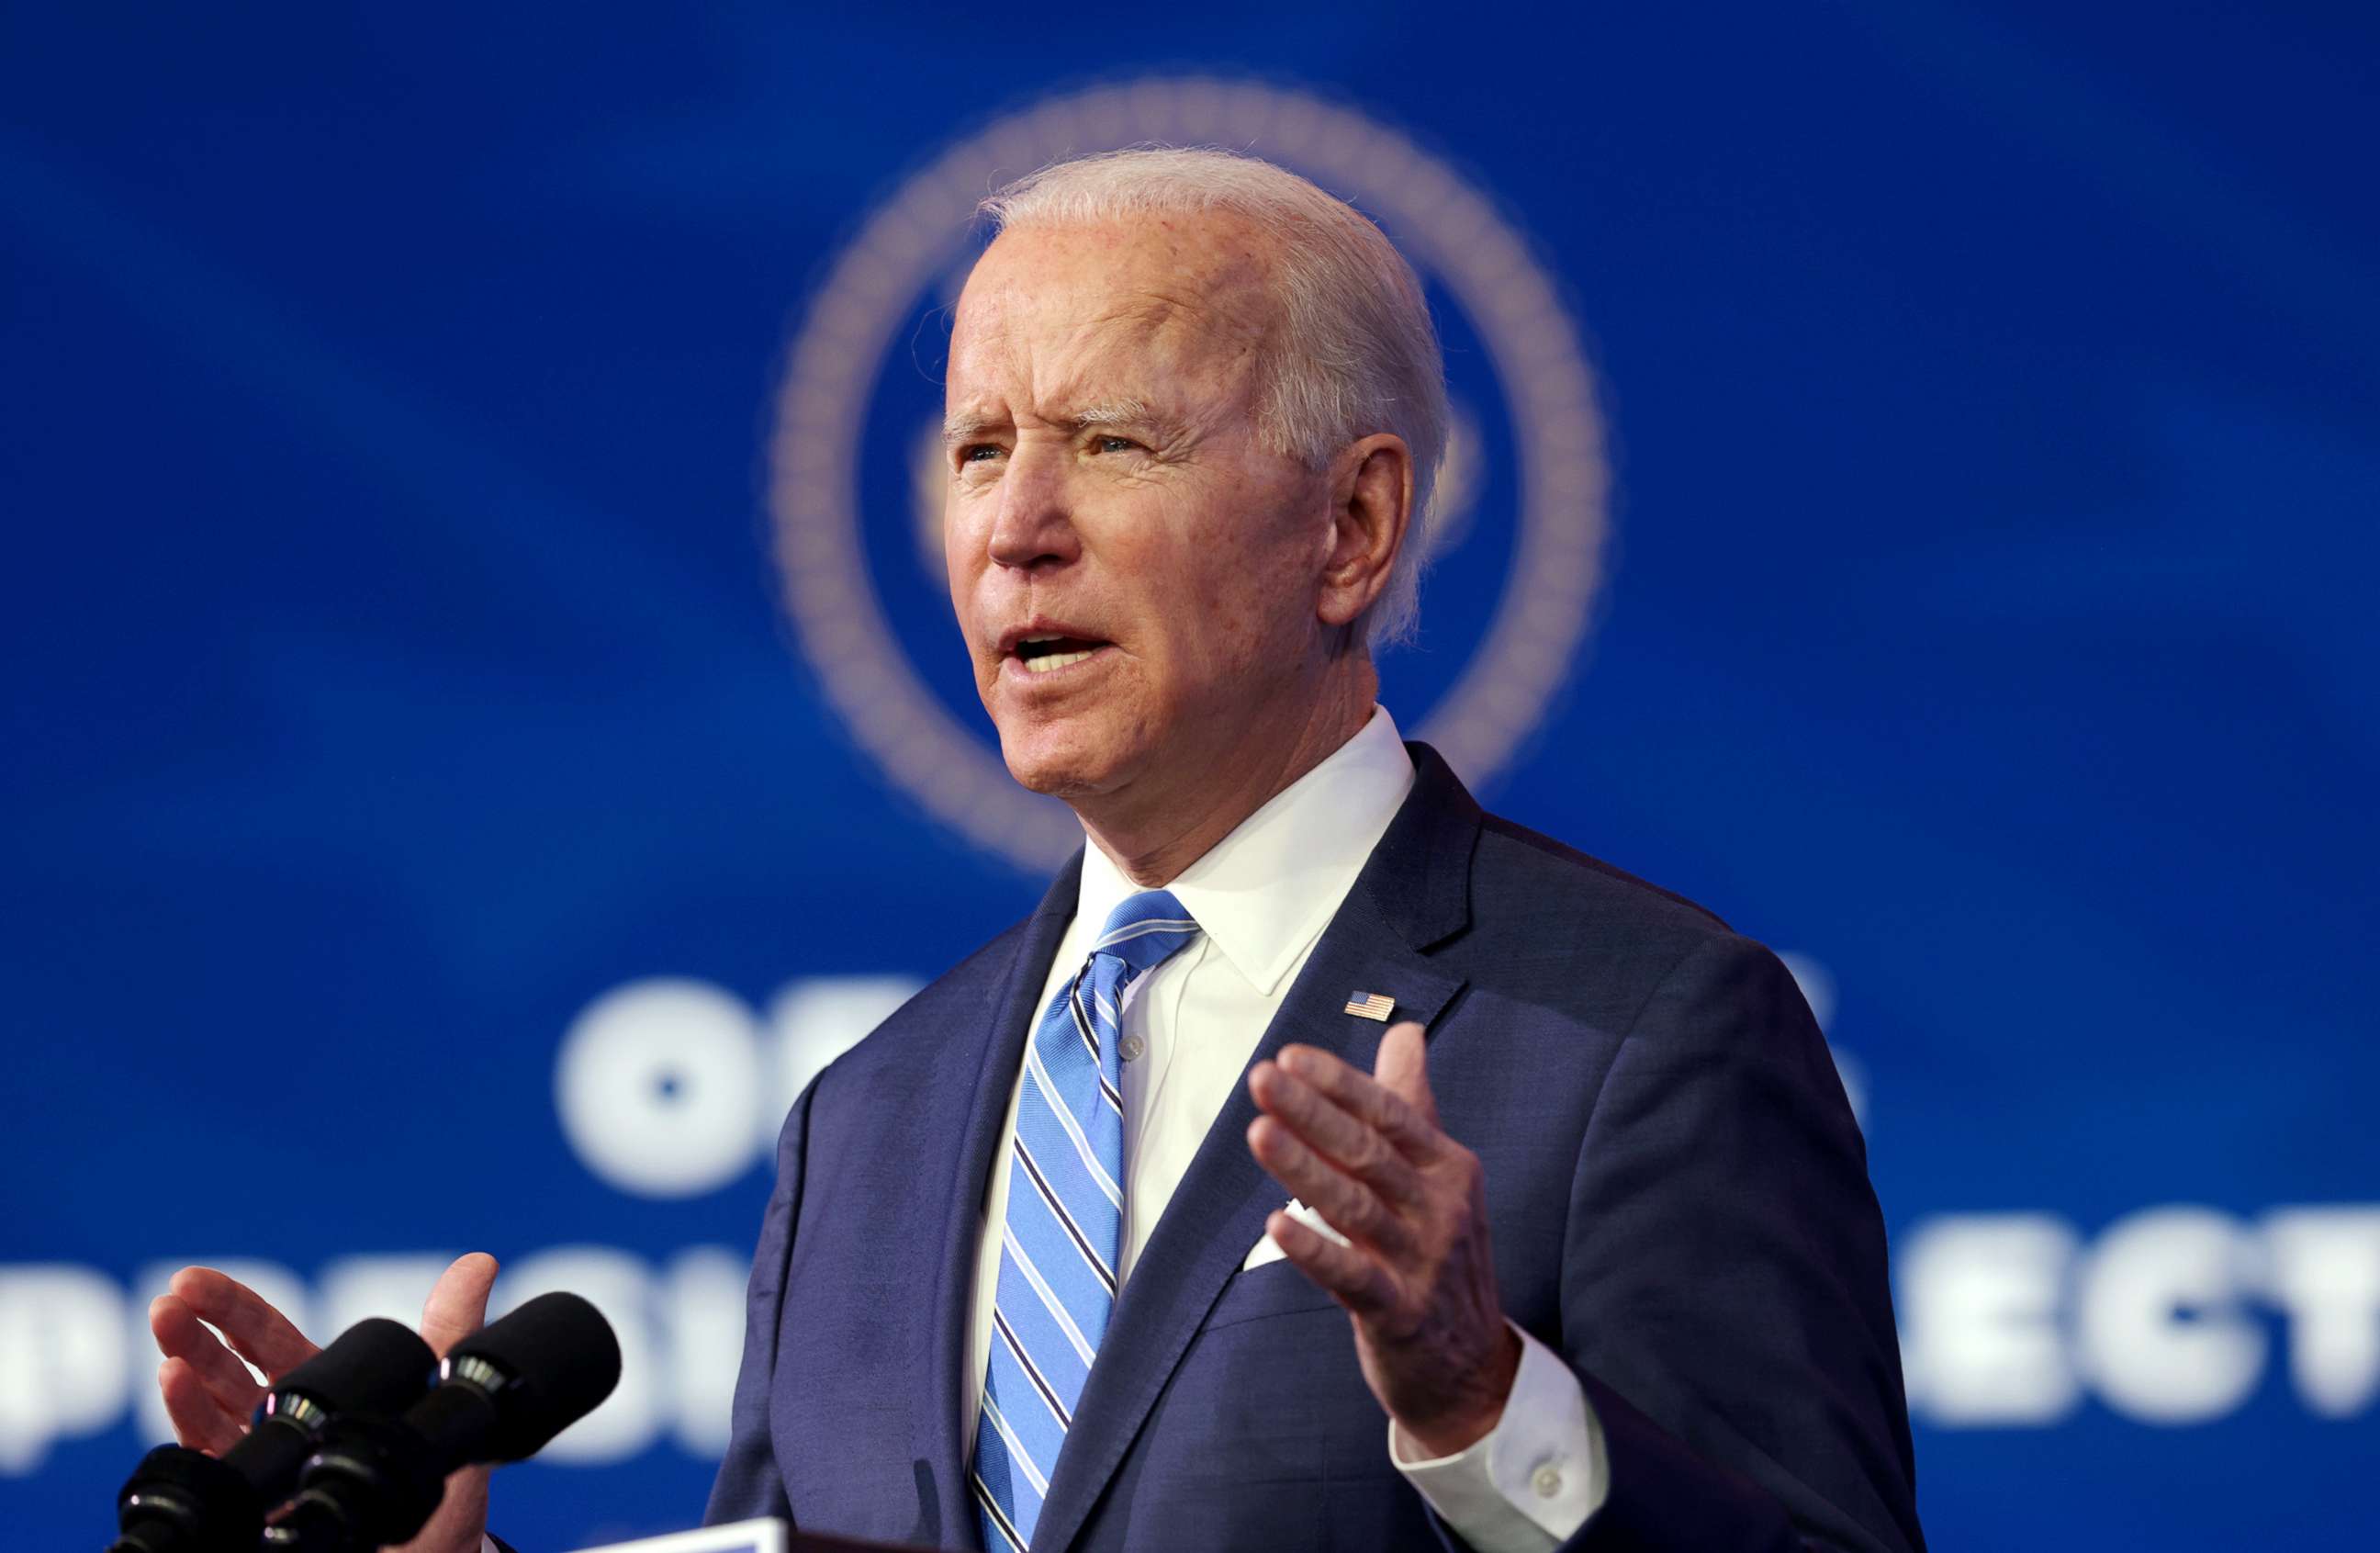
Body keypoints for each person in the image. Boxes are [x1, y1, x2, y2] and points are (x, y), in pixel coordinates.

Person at [150, 148, 1924, 1553]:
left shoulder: (1642, 1034)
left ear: (1354, 527)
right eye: (978, 449)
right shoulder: (870, 1117)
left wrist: (1484, 1405)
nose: (1016, 528)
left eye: (1110, 443)